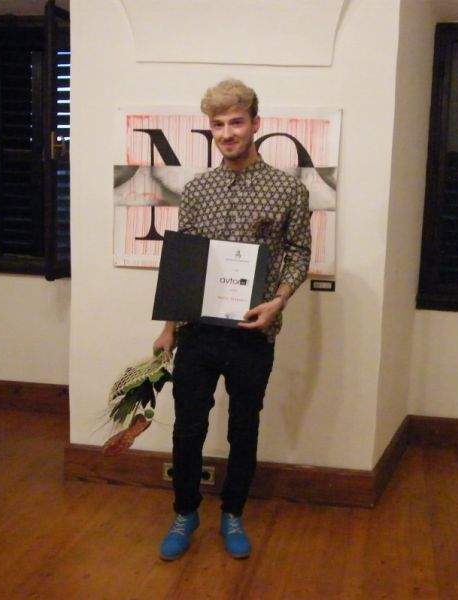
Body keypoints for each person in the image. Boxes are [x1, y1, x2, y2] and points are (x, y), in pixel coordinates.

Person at [153, 78, 311, 560]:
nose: (227, 133)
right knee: (187, 427)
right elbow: (184, 263)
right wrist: (168, 328)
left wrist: (278, 301)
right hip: (198, 332)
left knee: (244, 427)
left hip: (252, 333)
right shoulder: (197, 190)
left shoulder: (288, 190)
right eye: (218, 124)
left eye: (236, 122)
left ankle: (233, 513)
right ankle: (185, 512)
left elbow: (299, 253)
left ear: (255, 124)